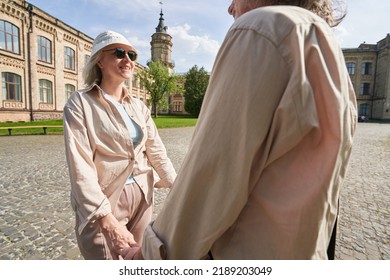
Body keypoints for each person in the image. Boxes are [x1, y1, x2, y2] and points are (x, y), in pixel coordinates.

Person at [139, 0, 357, 259]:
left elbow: (210, 178)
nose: (230, 8)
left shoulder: (261, 28)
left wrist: (149, 254)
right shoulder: (321, 42)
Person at [63, 30, 176, 260]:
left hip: (143, 195)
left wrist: (177, 187)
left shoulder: (139, 106)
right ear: (99, 60)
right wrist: (106, 219)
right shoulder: (80, 102)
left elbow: (156, 150)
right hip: (106, 200)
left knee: (138, 262)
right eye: (118, 52)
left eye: (132, 55)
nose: (128, 60)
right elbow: (80, 167)